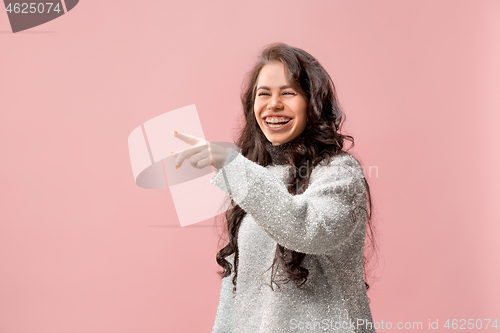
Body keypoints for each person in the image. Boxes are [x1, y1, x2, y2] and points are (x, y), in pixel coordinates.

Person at [172, 42, 377, 333]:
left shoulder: (339, 173)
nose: (273, 104)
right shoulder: (253, 175)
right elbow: (236, 300)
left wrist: (230, 164)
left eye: (288, 93)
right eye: (264, 94)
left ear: (313, 103)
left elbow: (308, 228)